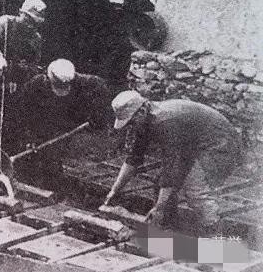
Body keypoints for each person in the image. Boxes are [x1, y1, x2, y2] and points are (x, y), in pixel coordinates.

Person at [102, 91, 244, 234]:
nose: (130, 126)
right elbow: (134, 158)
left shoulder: (165, 122)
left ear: (142, 111)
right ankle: (168, 229)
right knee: (161, 184)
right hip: (196, 145)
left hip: (221, 145)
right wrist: (114, 191)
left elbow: (172, 168)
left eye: (131, 122)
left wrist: (159, 208)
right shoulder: (145, 120)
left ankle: (214, 233)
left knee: (195, 190)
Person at [15, 59, 113, 189]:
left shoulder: (87, 82)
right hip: (44, 124)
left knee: (63, 159)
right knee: (40, 157)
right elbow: (24, 113)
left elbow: (102, 92)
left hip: (70, 124)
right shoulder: (36, 85)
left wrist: (96, 115)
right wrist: (30, 136)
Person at [0, 0, 47, 165]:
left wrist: (18, 74)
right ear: (21, 14)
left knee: (11, 125)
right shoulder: (5, 22)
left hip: (15, 86)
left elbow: (34, 65)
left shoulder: (35, 38)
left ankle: (6, 163)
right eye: (28, 19)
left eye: (35, 22)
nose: (30, 25)